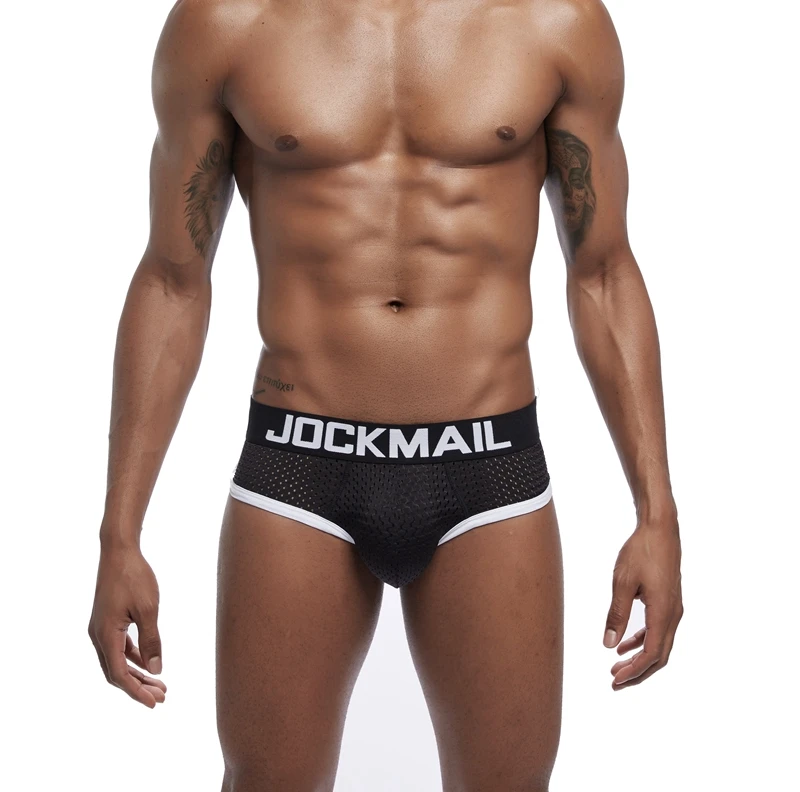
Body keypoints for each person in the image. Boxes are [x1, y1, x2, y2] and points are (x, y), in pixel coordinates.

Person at [88, 0, 683, 788]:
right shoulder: (226, 22)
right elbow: (172, 279)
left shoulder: (553, 21)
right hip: (300, 463)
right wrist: (120, 535)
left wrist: (656, 514)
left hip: (489, 465)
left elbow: (602, 271)